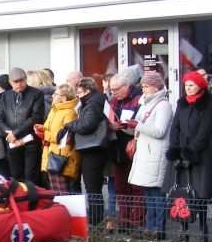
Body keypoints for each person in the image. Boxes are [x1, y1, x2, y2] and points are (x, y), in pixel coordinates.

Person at [166, 71, 212, 242]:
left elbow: (205, 130)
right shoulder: (182, 103)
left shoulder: (208, 103)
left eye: (191, 85)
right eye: (186, 85)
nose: (188, 88)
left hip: (201, 154)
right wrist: (175, 148)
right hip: (182, 150)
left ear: (199, 86)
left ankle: (202, 231)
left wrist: (193, 150)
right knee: (181, 193)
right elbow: (175, 126)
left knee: (200, 194)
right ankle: (182, 230)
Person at [128, 71, 173, 240]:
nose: (144, 90)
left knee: (157, 194)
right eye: (143, 86)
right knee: (148, 193)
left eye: (147, 87)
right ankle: (150, 226)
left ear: (156, 87)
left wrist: (137, 125)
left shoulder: (163, 105)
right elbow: (140, 125)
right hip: (145, 152)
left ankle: (158, 229)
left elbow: (159, 131)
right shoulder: (145, 103)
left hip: (155, 153)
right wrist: (127, 125)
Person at [60, 78, 109, 228]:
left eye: (80, 92)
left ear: (87, 91)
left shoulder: (92, 103)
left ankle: (95, 221)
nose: (78, 95)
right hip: (92, 148)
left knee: (92, 187)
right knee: (92, 186)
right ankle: (95, 219)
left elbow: (87, 124)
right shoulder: (95, 101)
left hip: (92, 149)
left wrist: (69, 125)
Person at [107, 70, 145, 230]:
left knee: (136, 187)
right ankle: (124, 219)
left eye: (116, 90)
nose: (114, 93)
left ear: (127, 86)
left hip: (133, 147)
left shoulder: (138, 100)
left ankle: (137, 221)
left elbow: (139, 123)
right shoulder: (113, 101)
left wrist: (122, 127)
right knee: (120, 186)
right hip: (116, 148)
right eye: (112, 90)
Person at [0, 66, 45, 185]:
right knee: (15, 177)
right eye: (16, 82)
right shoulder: (6, 96)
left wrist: (15, 133)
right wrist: (10, 134)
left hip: (30, 141)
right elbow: (0, 119)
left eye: (21, 80)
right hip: (12, 142)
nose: (19, 84)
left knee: (31, 176)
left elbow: (36, 117)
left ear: (25, 79)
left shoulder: (36, 94)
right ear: (10, 82)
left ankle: (32, 201)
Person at [34, 84, 80, 193]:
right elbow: (49, 127)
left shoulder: (70, 112)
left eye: (56, 94)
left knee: (63, 192)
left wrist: (44, 135)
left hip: (62, 157)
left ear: (64, 98)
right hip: (52, 154)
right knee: (55, 192)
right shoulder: (54, 110)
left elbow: (65, 136)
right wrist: (41, 128)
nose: (53, 95)